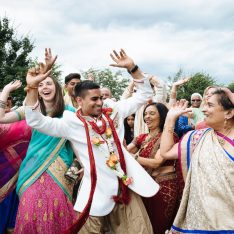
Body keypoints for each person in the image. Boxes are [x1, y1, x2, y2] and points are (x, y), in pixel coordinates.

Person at [24, 49, 159, 234]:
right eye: (94, 99)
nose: (100, 103)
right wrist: (32, 88)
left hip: (125, 187)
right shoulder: (71, 123)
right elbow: (36, 121)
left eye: (101, 98)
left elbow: (144, 94)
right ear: (79, 100)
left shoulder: (114, 111)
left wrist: (132, 68)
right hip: (94, 194)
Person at [0, 49, 78, 233]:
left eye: (49, 83)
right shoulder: (30, 110)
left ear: (57, 87)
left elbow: (77, 143)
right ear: (37, 89)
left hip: (61, 169)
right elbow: (1, 118)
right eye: (40, 84)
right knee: (30, 210)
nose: (45, 87)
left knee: (57, 211)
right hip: (32, 168)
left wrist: (77, 165)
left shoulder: (70, 113)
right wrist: (5, 91)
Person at [160, 90, 234, 232]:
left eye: (210, 105)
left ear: (229, 113)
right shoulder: (197, 137)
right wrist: (170, 119)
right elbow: (166, 152)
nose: (203, 109)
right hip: (198, 225)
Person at [127, 102, 182, 234]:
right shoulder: (142, 137)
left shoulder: (169, 137)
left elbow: (156, 162)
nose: (147, 117)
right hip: (145, 186)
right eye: (145, 114)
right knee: (146, 225)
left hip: (164, 187)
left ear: (162, 116)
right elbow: (124, 150)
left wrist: (132, 157)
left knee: (159, 225)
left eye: (152, 113)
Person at [0, 81, 32, 234]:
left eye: (9, 99)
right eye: (4, 99)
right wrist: (6, 90)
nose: (7, 101)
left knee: (15, 215)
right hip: (2, 174)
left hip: (20, 175)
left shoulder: (20, 117)